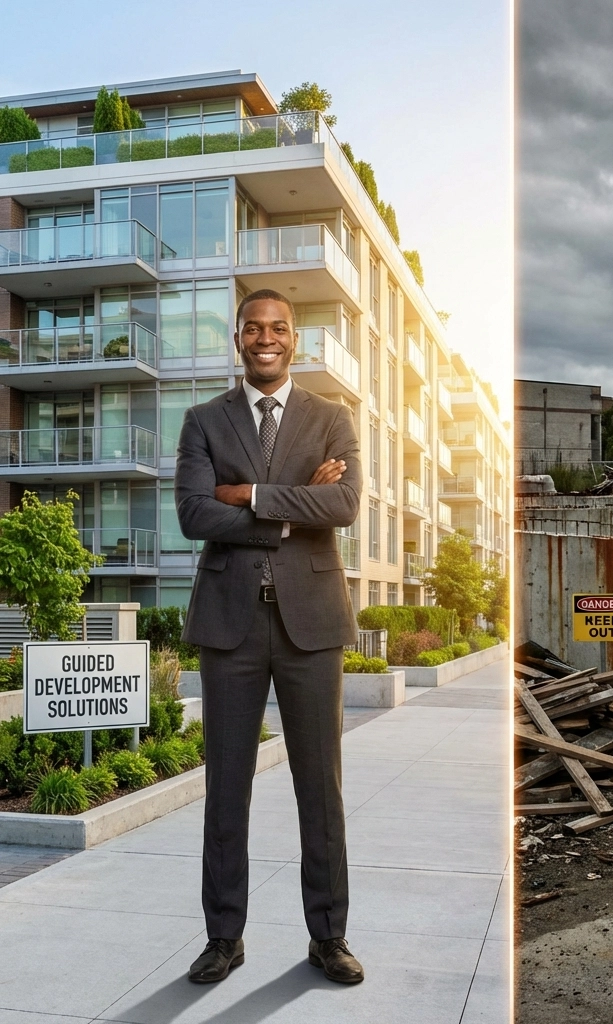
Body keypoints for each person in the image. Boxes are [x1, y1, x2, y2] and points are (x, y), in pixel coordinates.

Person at [175, 288, 364, 985]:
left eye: (278, 328)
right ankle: (223, 939)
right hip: (229, 627)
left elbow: (343, 505)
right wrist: (292, 506)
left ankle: (329, 938)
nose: (266, 338)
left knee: (322, 788)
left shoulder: (331, 418)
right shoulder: (202, 420)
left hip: (311, 624)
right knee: (227, 788)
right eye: (253, 328)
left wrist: (248, 495)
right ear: (238, 338)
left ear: (295, 339)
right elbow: (194, 514)